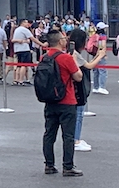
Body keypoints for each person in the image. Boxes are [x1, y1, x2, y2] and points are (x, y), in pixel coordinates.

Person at [41, 30, 83, 177]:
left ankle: (49, 164)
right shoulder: (66, 58)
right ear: (60, 41)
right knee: (68, 136)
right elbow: (78, 77)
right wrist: (74, 61)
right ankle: (68, 166)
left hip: (50, 100)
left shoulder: (44, 57)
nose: (66, 40)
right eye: (64, 38)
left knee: (49, 134)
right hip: (67, 100)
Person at [67, 28, 104, 152]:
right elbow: (88, 66)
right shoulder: (75, 55)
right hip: (77, 89)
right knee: (78, 115)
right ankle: (75, 140)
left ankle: (76, 139)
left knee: (77, 114)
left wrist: (97, 56)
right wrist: (100, 56)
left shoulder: (71, 52)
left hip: (73, 88)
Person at [12, 19, 47, 85]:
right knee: (24, 65)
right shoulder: (25, 30)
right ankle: (21, 80)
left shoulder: (17, 30)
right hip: (24, 49)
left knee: (19, 65)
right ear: (22, 23)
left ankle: (17, 79)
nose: (27, 24)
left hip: (17, 49)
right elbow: (33, 38)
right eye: (26, 22)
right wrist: (42, 44)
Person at [91, 22, 109, 95]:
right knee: (102, 71)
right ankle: (102, 87)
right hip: (100, 55)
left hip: (94, 54)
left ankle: (95, 87)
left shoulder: (95, 35)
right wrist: (103, 54)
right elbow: (102, 45)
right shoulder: (103, 36)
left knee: (96, 71)